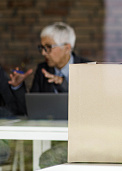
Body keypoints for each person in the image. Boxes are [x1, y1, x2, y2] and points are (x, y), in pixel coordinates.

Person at [9, 21, 91, 168]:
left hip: (80, 138)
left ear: (67, 48)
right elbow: (30, 110)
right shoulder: (42, 70)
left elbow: (89, 108)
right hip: (48, 134)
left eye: (48, 48)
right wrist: (18, 87)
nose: (43, 53)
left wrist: (64, 85)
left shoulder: (87, 69)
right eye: (42, 47)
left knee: (49, 159)